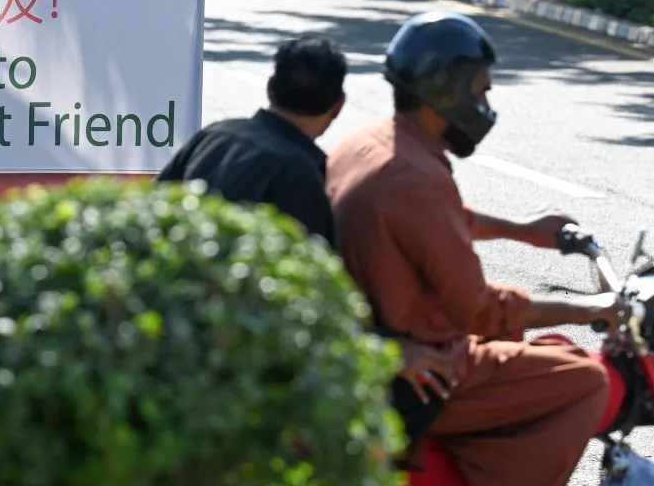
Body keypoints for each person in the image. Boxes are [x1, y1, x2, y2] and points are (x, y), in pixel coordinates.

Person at [327, 11, 625, 486]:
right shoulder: (418, 176)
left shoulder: (372, 146)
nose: (486, 105)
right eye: (481, 90)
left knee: (552, 352)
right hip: (428, 369)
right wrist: (596, 308)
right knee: (587, 378)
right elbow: (480, 310)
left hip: (385, 344)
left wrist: (523, 230)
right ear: (447, 88)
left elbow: (440, 219)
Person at [158, 31, 466, 442]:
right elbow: (315, 300)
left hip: (170, 328)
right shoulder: (302, 174)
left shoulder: (215, 135)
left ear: (271, 88)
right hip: (239, 354)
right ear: (337, 108)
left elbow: (154, 212)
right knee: (416, 392)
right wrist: (393, 352)